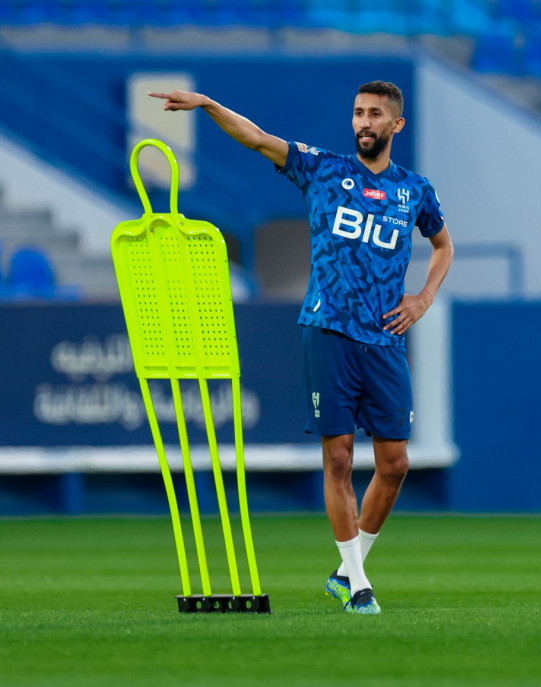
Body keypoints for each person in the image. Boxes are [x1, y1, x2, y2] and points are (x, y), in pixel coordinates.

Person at [149, 81, 453, 615]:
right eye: (358, 112)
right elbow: (259, 139)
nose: (363, 122)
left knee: (397, 462)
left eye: (375, 114)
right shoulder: (323, 168)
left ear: (395, 125)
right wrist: (210, 105)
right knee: (338, 456)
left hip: (385, 338)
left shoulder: (414, 190)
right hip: (328, 327)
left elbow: (443, 244)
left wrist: (424, 297)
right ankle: (359, 584)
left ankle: (345, 568)